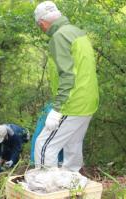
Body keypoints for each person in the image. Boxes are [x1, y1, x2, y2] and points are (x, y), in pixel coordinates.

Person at [34, 1, 99, 172]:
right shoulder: (78, 32)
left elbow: (67, 75)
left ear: (42, 23)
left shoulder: (59, 37)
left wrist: (57, 109)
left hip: (72, 103)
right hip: (88, 102)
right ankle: (71, 186)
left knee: (44, 145)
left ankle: (44, 188)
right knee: (73, 146)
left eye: (40, 26)